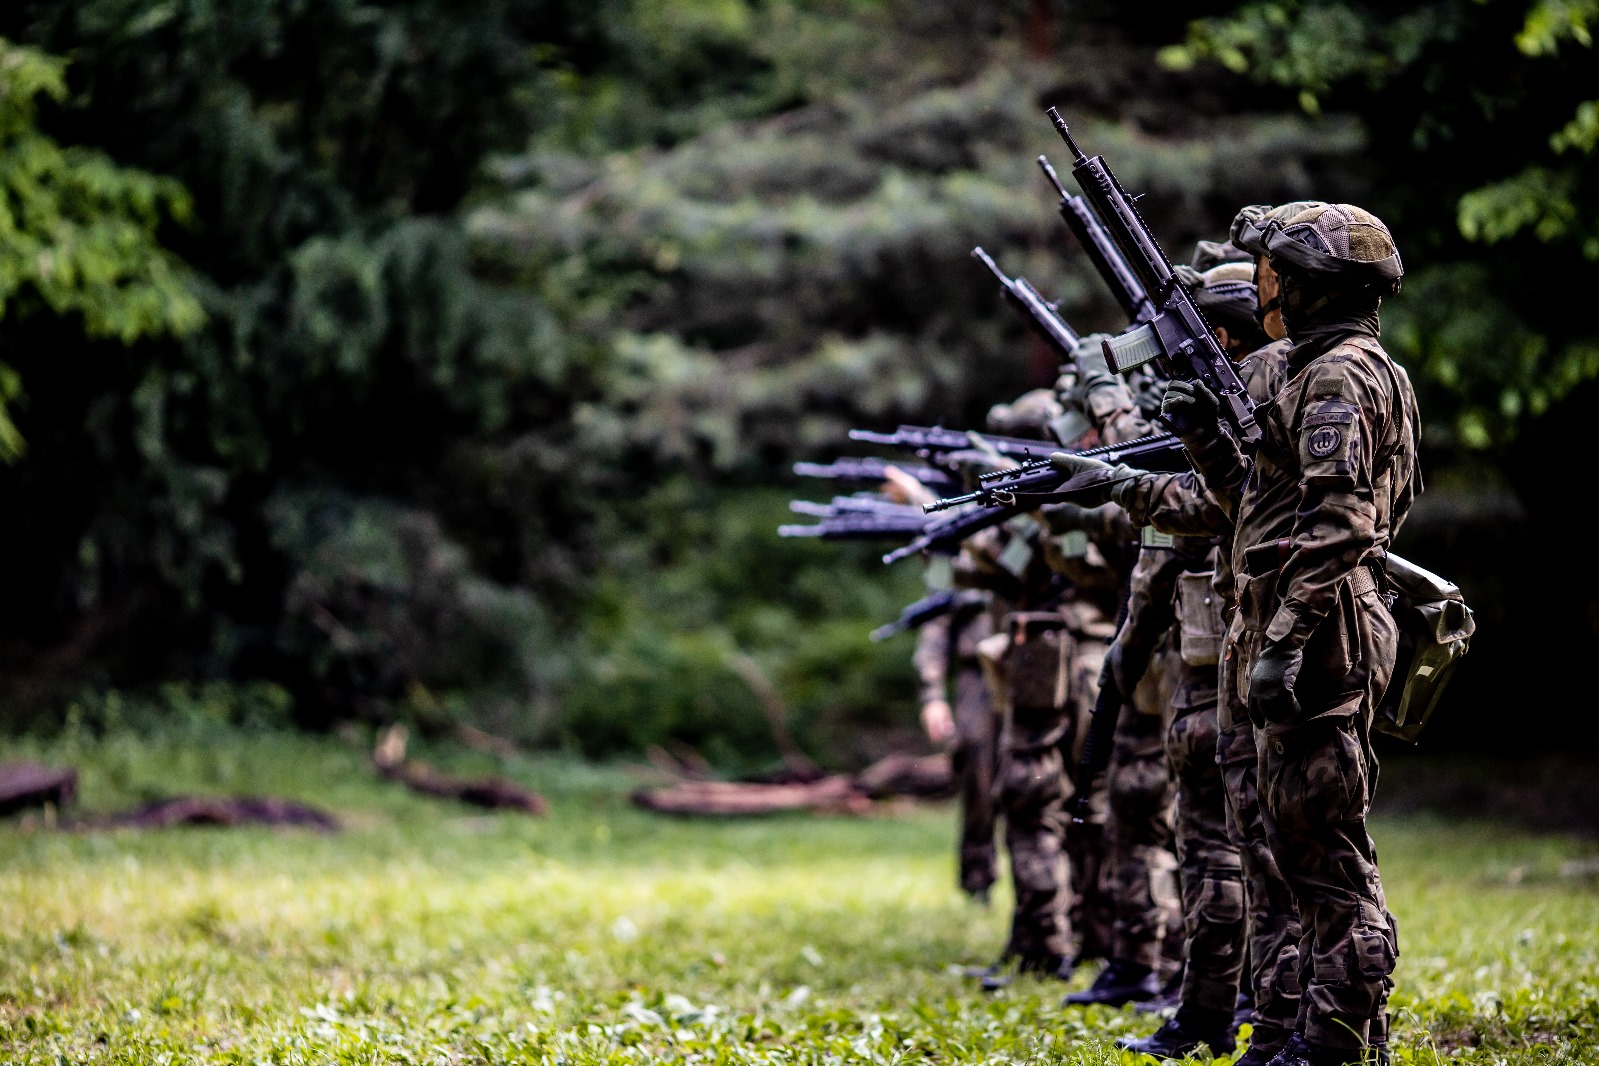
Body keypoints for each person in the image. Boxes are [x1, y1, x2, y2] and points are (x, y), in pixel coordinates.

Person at [1052, 203, 1419, 1066]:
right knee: (1278, 848)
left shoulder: (1341, 376)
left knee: (1322, 853)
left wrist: (1284, 643)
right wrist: (1195, 441)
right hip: (1284, 625)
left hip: (1320, 633)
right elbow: (1247, 506)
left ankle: (1337, 1043)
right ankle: (1288, 1029)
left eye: (1273, 271)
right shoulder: (1300, 370)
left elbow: (1339, 526)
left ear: (1310, 282)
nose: (1262, 286)